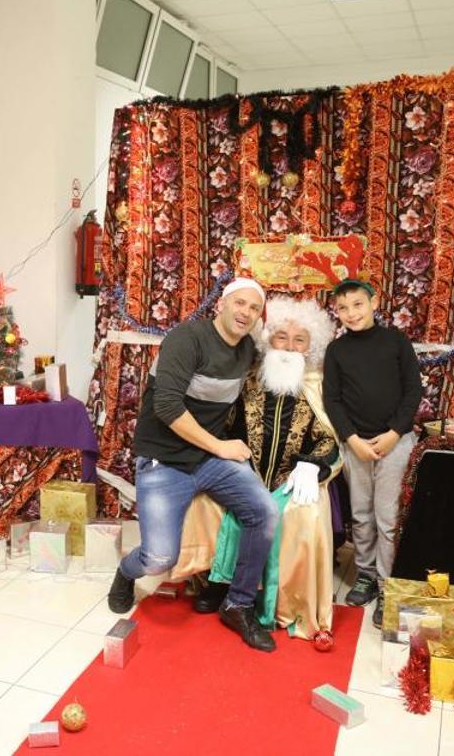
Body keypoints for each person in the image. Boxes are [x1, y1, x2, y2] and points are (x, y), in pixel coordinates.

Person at [107, 278, 281, 652]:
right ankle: (126, 571)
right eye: (240, 303)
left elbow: (285, 356)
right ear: (221, 304)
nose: (246, 312)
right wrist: (220, 446)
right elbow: (167, 407)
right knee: (158, 559)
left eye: (254, 308)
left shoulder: (247, 350)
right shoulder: (186, 339)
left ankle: (238, 604)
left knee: (264, 512)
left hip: (207, 459)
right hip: (164, 461)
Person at [175, 297, 342, 650]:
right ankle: (216, 584)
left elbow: (330, 438)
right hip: (243, 473)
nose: (290, 346)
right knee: (207, 502)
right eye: (281, 337)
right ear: (267, 339)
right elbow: (219, 425)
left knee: (303, 514)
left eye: (300, 340)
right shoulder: (245, 379)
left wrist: (312, 464)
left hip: (290, 481)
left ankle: (281, 600)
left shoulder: (318, 387)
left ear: (311, 346)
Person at [322, 279, 422, 628]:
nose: (351, 313)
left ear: (374, 303)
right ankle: (364, 574)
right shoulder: (337, 351)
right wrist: (352, 440)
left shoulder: (396, 342)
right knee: (362, 514)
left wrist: (394, 433)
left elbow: (413, 391)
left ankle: (386, 584)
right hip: (357, 447)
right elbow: (332, 399)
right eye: (343, 308)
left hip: (394, 443)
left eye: (358, 305)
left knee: (387, 518)